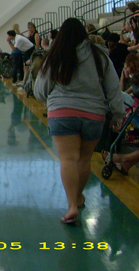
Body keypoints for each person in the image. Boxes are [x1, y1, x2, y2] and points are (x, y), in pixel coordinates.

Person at [34, 18, 124, 224]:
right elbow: (113, 88)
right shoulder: (100, 55)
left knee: (68, 160)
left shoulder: (55, 56)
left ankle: (72, 205)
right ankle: (78, 197)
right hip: (94, 114)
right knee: (84, 159)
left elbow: (40, 91)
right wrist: (118, 114)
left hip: (62, 113)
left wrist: (51, 99)